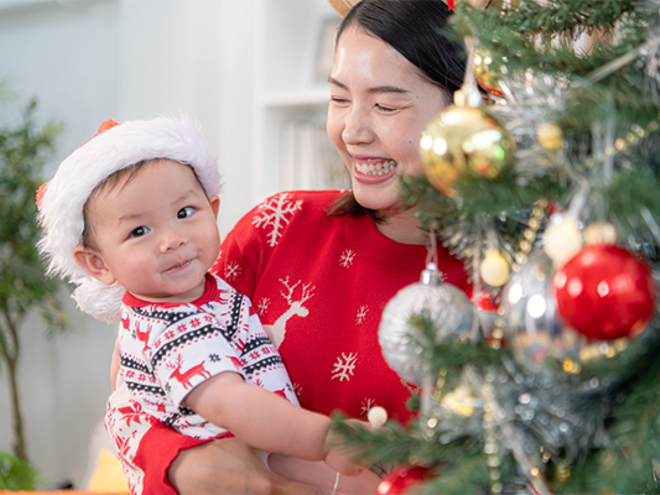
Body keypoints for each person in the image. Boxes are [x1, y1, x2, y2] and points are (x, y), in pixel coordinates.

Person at [105, 0, 469, 494]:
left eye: (386, 105)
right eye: (339, 99)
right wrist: (180, 467)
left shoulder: (514, 277)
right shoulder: (276, 229)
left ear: (466, 111)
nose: (352, 132)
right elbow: (133, 386)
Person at [36, 116, 373, 494]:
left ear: (213, 209)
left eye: (184, 213)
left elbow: (121, 379)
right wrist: (327, 437)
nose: (172, 240)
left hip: (261, 450)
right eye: (139, 231)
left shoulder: (198, 295)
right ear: (97, 263)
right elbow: (232, 405)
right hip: (232, 461)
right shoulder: (171, 324)